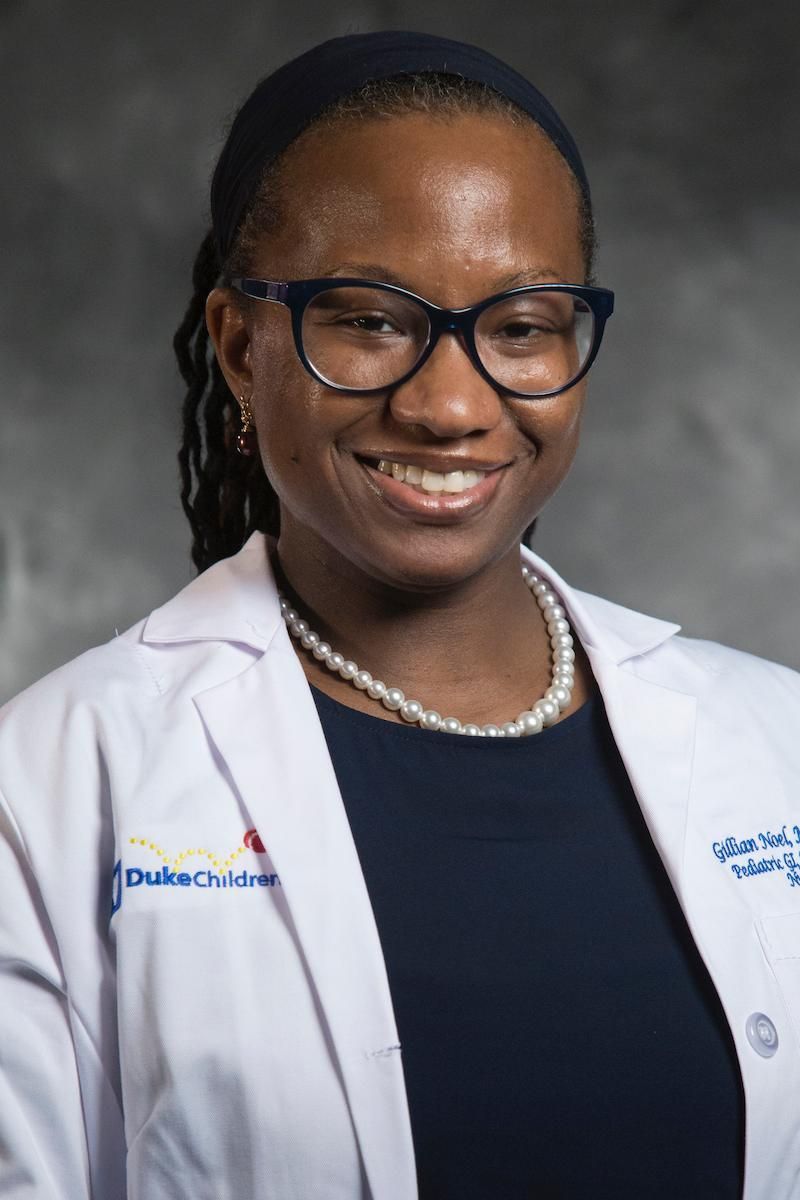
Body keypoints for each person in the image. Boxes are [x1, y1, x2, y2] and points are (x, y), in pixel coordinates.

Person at [1, 30, 799, 1200]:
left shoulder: (773, 740)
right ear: (240, 346)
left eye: (520, 326)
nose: (449, 405)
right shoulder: (49, 785)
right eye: (370, 320)